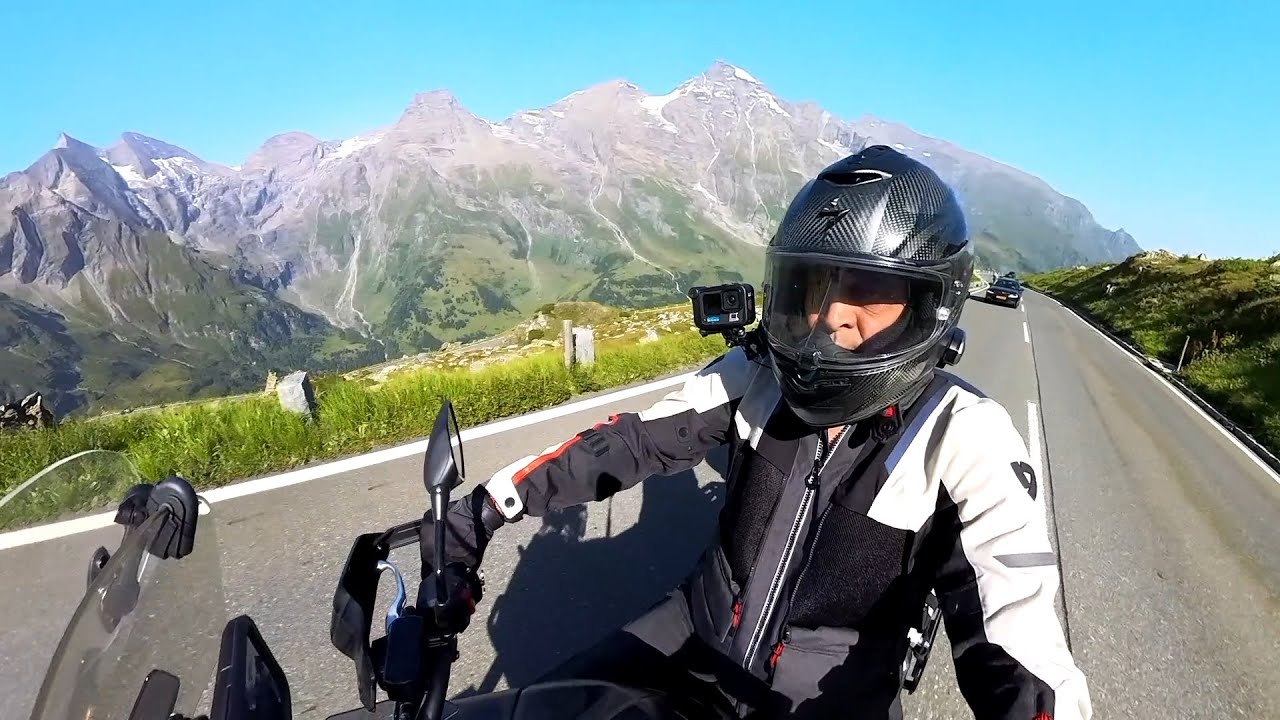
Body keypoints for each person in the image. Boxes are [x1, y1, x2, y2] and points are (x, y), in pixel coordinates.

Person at [420, 145, 1092, 719]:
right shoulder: (758, 371)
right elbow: (631, 439)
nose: (831, 315)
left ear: (929, 302)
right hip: (689, 635)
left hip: (829, 701)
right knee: (544, 702)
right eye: (814, 285)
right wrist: (480, 512)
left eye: (865, 289)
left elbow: (1019, 634)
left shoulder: (966, 437)